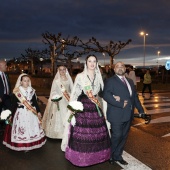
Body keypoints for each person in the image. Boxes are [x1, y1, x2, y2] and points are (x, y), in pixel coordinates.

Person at [61, 55, 111, 167]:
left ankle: (97, 156)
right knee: (83, 134)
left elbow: (102, 93)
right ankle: (82, 158)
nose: (92, 63)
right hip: (83, 105)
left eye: (94, 61)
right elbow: (76, 92)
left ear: (96, 63)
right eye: (90, 61)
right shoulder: (80, 76)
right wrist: (73, 108)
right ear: (86, 63)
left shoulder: (99, 76)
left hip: (95, 106)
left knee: (97, 132)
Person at [103, 61, 144, 165]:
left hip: (128, 114)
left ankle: (118, 155)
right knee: (117, 135)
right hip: (116, 114)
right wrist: (121, 104)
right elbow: (106, 95)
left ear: (125, 69)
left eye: (122, 66)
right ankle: (110, 155)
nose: (120, 68)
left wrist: (141, 110)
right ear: (114, 69)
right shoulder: (110, 81)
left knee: (124, 136)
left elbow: (134, 97)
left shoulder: (130, 81)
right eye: (117, 66)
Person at [3, 73, 46, 151]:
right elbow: (13, 105)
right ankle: (23, 144)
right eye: (24, 81)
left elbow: (35, 103)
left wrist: (39, 111)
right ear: (21, 82)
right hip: (21, 113)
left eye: (27, 81)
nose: (26, 82)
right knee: (22, 129)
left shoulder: (32, 91)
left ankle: (31, 142)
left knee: (32, 128)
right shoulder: (17, 92)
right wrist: (10, 114)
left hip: (31, 112)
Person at [42, 66, 73, 139]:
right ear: (58, 71)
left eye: (63, 69)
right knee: (58, 115)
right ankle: (59, 133)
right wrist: (55, 97)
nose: (62, 71)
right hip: (59, 100)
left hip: (68, 99)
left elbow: (72, 89)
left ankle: (69, 132)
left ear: (66, 70)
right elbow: (53, 91)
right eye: (60, 70)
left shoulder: (69, 79)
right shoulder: (56, 80)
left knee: (68, 114)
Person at [0, 60, 11, 132]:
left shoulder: (6, 74)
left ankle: (7, 126)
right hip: (0, 97)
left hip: (7, 96)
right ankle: (1, 127)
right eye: (5, 65)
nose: (6, 66)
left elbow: (8, 85)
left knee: (8, 112)